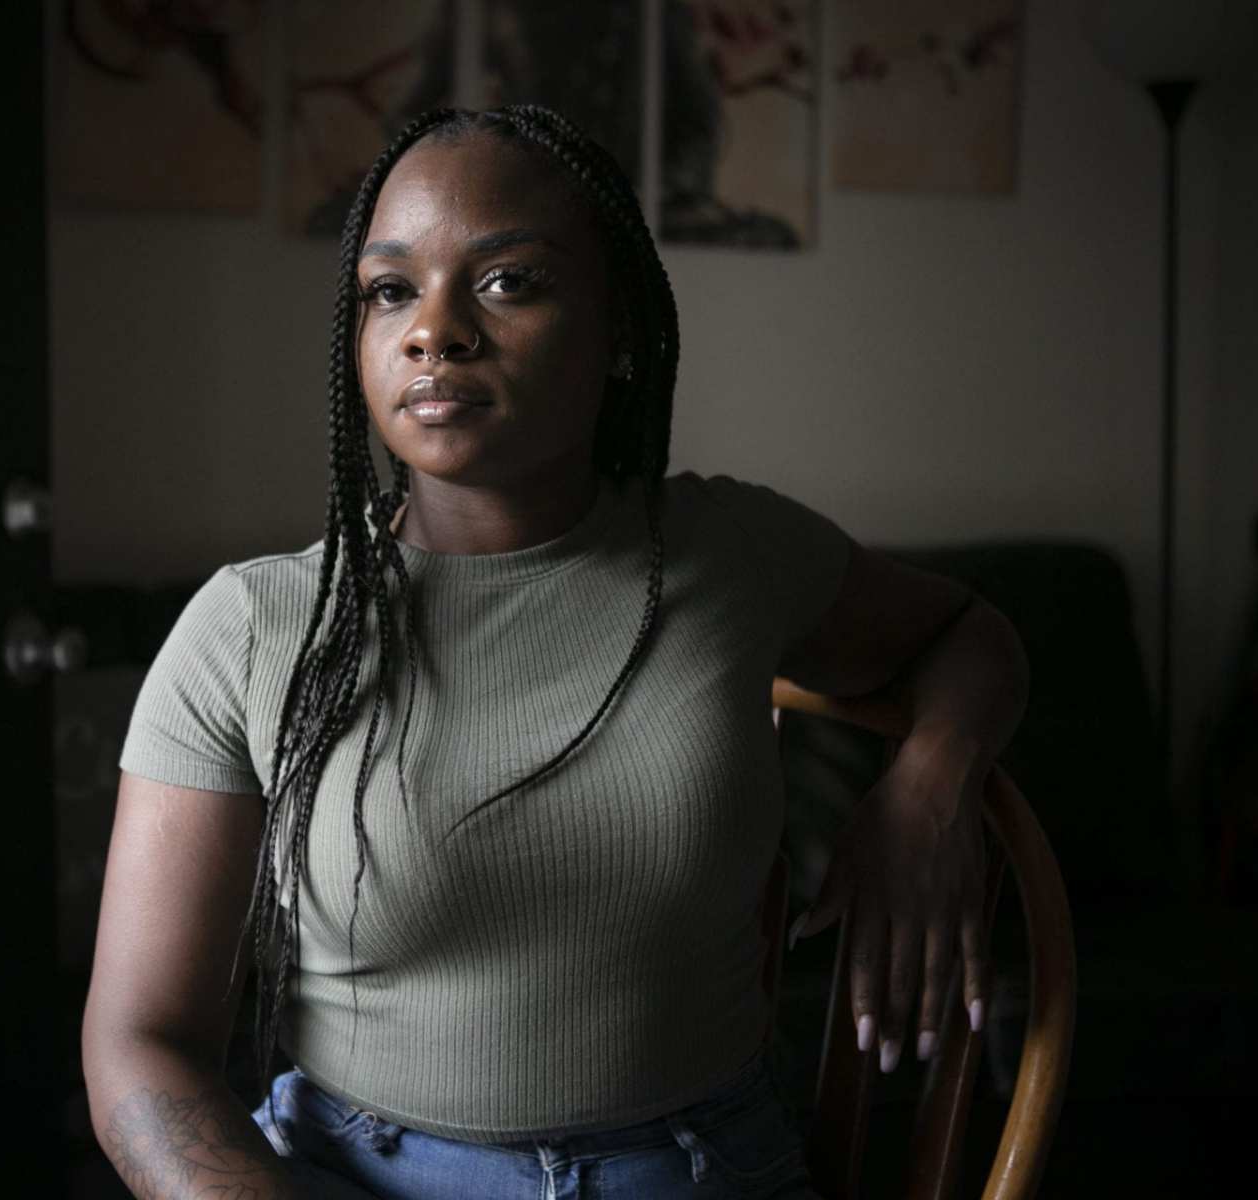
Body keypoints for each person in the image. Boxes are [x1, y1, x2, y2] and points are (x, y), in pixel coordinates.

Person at [80, 105, 1029, 1199]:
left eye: (508, 280)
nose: (433, 330)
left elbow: (971, 636)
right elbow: (140, 1047)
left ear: (621, 328)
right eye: (392, 291)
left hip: (692, 1172)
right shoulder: (253, 628)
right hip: (350, 1179)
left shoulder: (731, 555)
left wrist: (929, 788)